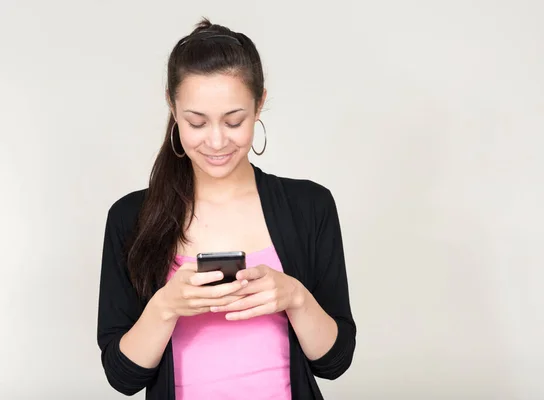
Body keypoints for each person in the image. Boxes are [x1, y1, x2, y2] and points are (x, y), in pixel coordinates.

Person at [96, 18, 356, 400]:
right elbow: (123, 379)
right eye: (196, 122)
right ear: (172, 104)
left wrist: (295, 297)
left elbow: (334, 362)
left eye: (234, 121)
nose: (216, 141)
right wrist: (166, 306)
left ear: (260, 103)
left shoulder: (311, 207)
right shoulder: (130, 218)